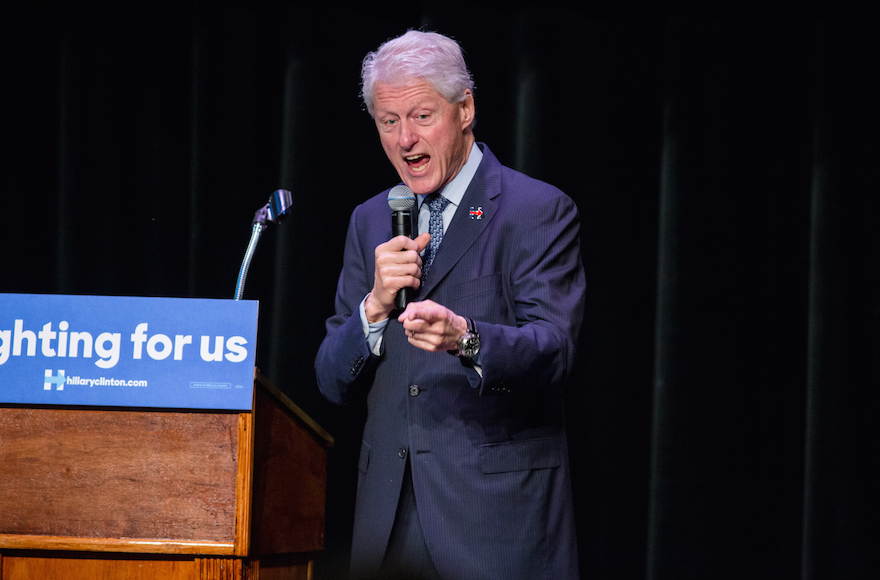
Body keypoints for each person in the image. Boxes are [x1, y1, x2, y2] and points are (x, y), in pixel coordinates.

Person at [315, 29, 585, 579]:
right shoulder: (371, 220)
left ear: (465, 109)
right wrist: (373, 307)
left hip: (495, 523)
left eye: (421, 116)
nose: (405, 140)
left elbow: (555, 349)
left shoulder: (535, 210)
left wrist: (467, 337)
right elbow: (329, 378)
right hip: (387, 527)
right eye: (388, 123)